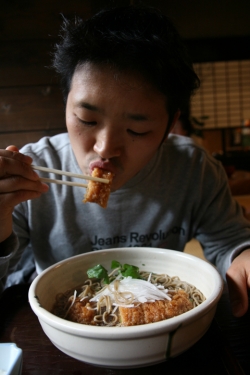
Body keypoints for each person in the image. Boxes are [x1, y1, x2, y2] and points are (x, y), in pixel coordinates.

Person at [0, 5, 250, 318]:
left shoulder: (193, 169)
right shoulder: (32, 170)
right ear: (66, 105)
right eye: (87, 119)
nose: (105, 148)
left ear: (169, 124)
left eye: (137, 129)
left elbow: (230, 244)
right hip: (58, 328)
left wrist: (243, 258)